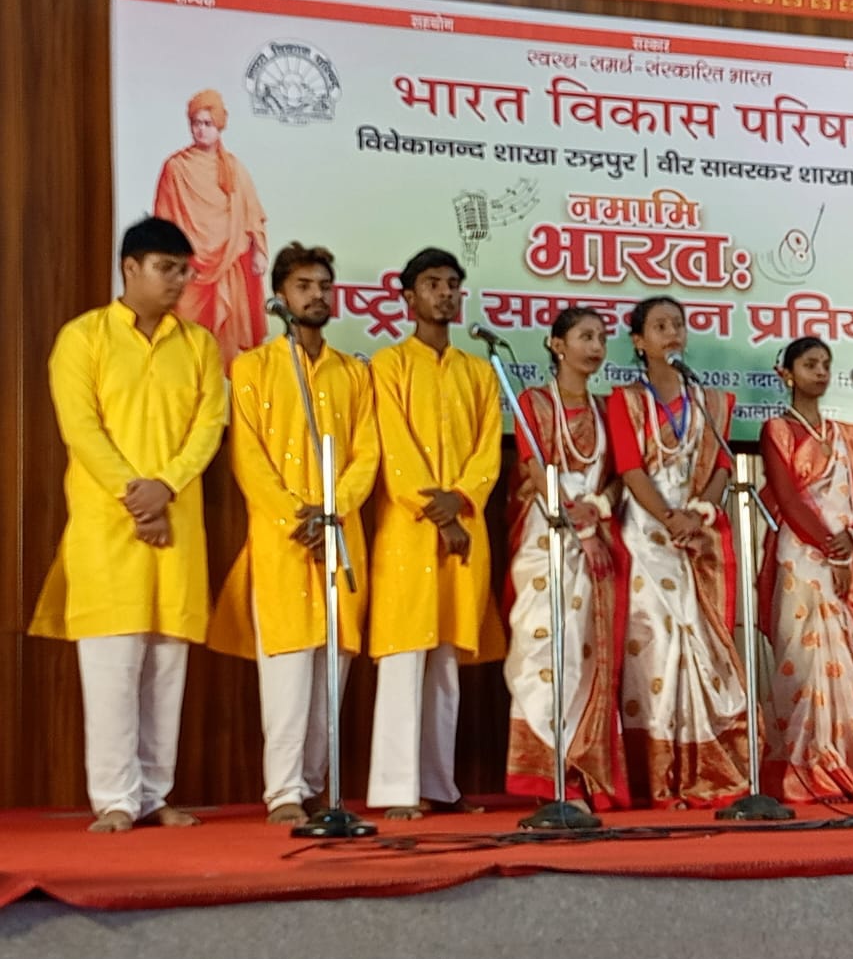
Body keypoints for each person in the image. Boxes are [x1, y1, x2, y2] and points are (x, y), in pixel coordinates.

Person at [29, 216, 227, 832]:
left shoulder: (199, 345)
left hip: (177, 526)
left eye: (185, 271)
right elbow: (81, 429)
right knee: (112, 669)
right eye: (167, 269)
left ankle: (153, 794)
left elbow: (209, 427)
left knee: (166, 670)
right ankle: (115, 799)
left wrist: (166, 486)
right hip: (108, 530)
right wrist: (136, 495)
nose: (179, 281)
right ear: (130, 268)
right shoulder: (83, 338)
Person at [207, 242, 379, 825]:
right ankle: (282, 791)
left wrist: (334, 509)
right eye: (304, 286)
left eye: (325, 286)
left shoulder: (353, 373)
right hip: (284, 542)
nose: (317, 296)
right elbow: (249, 459)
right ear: (280, 295)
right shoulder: (252, 369)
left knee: (332, 672)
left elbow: (367, 454)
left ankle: (315, 787)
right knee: (285, 671)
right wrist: (294, 515)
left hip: (338, 536)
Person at [364, 247, 505, 819]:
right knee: (405, 657)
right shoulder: (388, 365)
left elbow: (488, 452)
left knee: (445, 664)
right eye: (432, 284)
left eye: (452, 284)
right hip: (410, 529)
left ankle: (439, 785)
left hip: (464, 527)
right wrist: (442, 513)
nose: (445, 294)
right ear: (408, 297)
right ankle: (397, 790)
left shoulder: (478, 371)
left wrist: (462, 501)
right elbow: (394, 449)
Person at [605, 296, 751, 809]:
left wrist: (698, 514)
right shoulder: (624, 401)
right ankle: (656, 776)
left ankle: (702, 769)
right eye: (660, 326)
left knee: (700, 646)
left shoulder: (710, 402)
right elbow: (630, 468)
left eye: (678, 325)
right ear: (639, 342)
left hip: (696, 535)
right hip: (646, 536)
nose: (672, 333)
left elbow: (722, 467)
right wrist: (669, 519)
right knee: (656, 646)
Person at [503, 307, 631, 811]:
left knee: (586, 653)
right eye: (584, 336)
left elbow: (619, 477)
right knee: (541, 651)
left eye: (601, 338)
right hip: (547, 538)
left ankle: (581, 774)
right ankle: (546, 779)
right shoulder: (533, 402)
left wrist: (598, 511)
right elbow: (536, 472)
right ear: (556, 345)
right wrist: (580, 526)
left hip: (595, 542)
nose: (596, 347)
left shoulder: (606, 408)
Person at [757, 337, 853, 803]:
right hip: (802, 557)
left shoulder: (850, 435)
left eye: (826, 364)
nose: (821, 372)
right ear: (787, 373)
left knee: (843, 660)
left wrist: (852, 542)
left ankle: (843, 761)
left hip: (845, 553)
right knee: (803, 657)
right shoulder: (778, 429)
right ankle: (802, 764)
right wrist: (831, 550)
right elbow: (788, 499)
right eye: (810, 364)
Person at [154, 88, 269, 373]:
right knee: (185, 350)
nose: (201, 130)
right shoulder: (176, 168)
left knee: (228, 347)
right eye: (196, 123)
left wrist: (259, 251)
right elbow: (163, 223)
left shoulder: (233, 169)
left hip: (228, 265)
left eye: (207, 123)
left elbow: (252, 216)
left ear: (219, 125)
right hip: (189, 270)